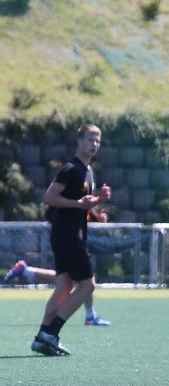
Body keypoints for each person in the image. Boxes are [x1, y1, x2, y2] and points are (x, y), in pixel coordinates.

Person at [31, 123, 112, 356]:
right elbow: (50, 197)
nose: (94, 144)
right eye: (89, 139)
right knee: (88, 285)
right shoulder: (70, 169)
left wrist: (97, 207)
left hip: (70, 233)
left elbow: (81, 203)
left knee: (65, 285)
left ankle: (41, 337)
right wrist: (80, 204)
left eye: (97, 140)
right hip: (67, 234)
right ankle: (50, 334)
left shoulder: (88, 171)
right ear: (79, 141)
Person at [5, 260, 111, 326]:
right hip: (71, 237)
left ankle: (90, 315)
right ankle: (49, 331)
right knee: (81, 279)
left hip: (69, 237)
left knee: (80, 278)